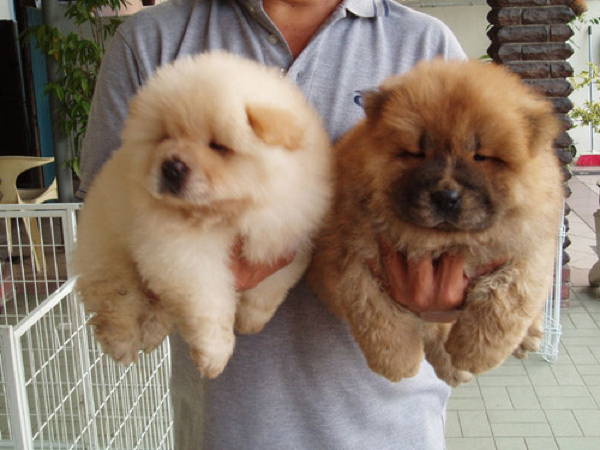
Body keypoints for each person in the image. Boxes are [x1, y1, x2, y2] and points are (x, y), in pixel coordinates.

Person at [78, 1, 468, 448]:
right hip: (229, 426)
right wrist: (183, 281)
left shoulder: (424, 43)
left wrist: (445, 304)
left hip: (389, 425)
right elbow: (106, 216)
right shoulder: (154, 40)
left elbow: (475, 221)